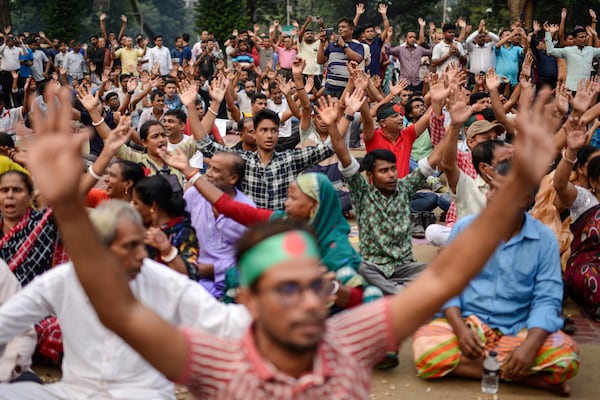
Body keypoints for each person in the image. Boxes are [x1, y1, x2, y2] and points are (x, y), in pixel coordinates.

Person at [26, 79, 559, 398]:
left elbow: (446, 273)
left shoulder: (346, 344)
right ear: (250, 299)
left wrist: (517, 188)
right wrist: (68, 206)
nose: (308, 301)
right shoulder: (219, 362)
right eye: (286, 288)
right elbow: (118, 308)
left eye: (314, 286)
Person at [0, 200, 251, 399]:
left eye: (141, 244)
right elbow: (6, 321)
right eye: (130, 246)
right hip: (75, 392)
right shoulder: (63, 280)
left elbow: (225, 321)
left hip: (142, 393)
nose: (143, 254)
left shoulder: (162, 281)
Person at [412, 163, 579, 397]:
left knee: (566, 356)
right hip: (469, 323)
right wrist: (460, 330)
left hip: (518, 327)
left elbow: (547, 298)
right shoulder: (464, 229)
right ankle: (528, 378)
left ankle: (489, 367)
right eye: (490, 188)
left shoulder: (544, 240)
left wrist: (530, 346)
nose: (490, 196)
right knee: (426, 348)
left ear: (524, 199)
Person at [161, 145, 380, 308]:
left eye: (293, 199)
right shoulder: (285, 221)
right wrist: (190, 173)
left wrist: (329, 288)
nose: (286, 204)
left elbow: (357, 298)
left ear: (314, 205)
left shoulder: (336, 246)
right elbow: (229, 207)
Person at [189, 77, 334, 210]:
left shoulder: (290, 159)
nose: (269, 135)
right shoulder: (242, 160)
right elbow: (204, 144)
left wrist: (341, 116)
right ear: (255, 133)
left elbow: (330, 147)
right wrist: (201, 105)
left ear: (278, 133)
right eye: (263, 130)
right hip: (251, 229)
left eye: (274, 131)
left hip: (280, 231)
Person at [553, 121, 600, 320]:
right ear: (594, 181)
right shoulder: (585, 199)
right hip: (588, 266)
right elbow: (561, 185)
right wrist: (571, 152)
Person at [132, 175, 199, 281]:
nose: (132, 207)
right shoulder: (136, 229)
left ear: (153, 206)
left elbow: (192, 276)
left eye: (136, 203)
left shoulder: (182, 232)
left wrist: (167, 250)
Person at [317, 17, 364, 99]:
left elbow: (358, 59)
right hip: (330, 88)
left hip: (348, 89)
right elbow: (320, 61)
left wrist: (344, 45)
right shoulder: (332, 45)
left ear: (352, 30)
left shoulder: (358, 46)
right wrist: (322, 43)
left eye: (343, 27)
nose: (340, 29)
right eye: (339, 27)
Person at [545, 24, 600, 92]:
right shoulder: (568, 51)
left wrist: (595, 35)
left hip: (585, 89)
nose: (584, 39)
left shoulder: (591, 50)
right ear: (575, 39)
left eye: (585, 37)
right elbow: (550, 51)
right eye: (581, 37)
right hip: (571, 88)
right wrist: (548, 33)